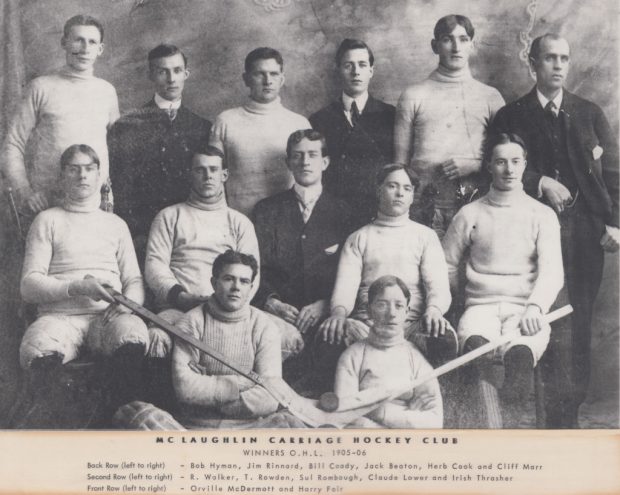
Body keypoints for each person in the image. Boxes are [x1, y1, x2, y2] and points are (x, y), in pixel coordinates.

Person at [491, 34, 619, 427]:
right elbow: (492, 165)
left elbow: (614, 171)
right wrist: (539, 180)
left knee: (578, 319)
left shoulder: (589, 112)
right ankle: (539, 411)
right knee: (538, 315)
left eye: (564, 58)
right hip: (529, 234)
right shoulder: (512, 116)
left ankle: (568, 416)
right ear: (533, 64)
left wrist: (615, 222)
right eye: (549, 58)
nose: (558, 66)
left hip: (585, 234)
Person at [442, 133, 563, 427]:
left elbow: (553, 271)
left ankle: (503, 430)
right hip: (480, 308)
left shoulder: (542, 214)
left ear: (524, 165)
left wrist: (536, 307)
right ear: (488, 166)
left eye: (515, 161)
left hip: (525, 310)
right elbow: (445, 264)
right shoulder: (469, 213)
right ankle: (490, 427)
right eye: (500, 162)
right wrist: (461, 301)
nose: (508, 169)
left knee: (520, 359)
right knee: (475, 354)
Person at [113, 250, 305, 429]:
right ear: (214, 283)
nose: (236, 287)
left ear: (251, 287)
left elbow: (270, 396)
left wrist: (214, 397)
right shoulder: (191, 322)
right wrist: (237, 385)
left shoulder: (264, 326)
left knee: (291, 427)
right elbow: (185, 389)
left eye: (244, 281)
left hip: (250, 428)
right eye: (228, 279)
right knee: (144, 418)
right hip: (196, 427)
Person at [18, 144, 149, 406]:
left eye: (89, 169)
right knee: (38, 349)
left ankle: (115, 422)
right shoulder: (47, 220)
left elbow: (134, 281)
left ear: (99, 175)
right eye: (74, 169)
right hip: (59, 318)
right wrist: (78, 287)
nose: (82, 176)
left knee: (133, 337)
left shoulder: (116, 224)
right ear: (62, 176)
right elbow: (29, 285)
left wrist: (127, 306)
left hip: (107, 318)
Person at [144, 145, 302, 361]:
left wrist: (229, 305)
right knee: (157, 337)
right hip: (180, 308)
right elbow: (155, 266)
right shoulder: (169, 216)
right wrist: (181, 297)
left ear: (224, 175)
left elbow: (252, 274)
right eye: (200, 170)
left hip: (230, 310)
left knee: (289, 337)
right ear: (191, 175)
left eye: (214, 170)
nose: (208, 176)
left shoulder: (239, 222)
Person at [318, 164, 455, 375]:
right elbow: (345, 287)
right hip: (367, 327)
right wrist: (338, 313)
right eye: (392, 185)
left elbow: (437, 286)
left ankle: (428, 396)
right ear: (379, 190)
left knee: (442, 335)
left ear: (412, 196)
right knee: (331, 331)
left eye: (407, 188)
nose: (400, 193)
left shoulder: (425, 236)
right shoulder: (359, 237)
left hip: (410, 326)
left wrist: (434, 311)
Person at [252, 129, 355, 381]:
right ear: (288, 163)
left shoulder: (344, 212)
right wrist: (271, 302)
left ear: (325, 162)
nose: (305, 162)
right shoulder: (266, 210)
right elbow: (255, 266)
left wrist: (326, 304)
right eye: (297, 156)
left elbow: (352, 270)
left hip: (326, 314)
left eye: (312, 155)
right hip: (279, 315)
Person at [393, 14, 504, 238]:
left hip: (476, 205)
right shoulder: (413, 95)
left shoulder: (490, 97)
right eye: (447, 39)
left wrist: (475, 164)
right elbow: (399, 166)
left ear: (472, 45)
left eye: (463, 39)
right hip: (422, 208)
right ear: (435, 46)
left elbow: (509, 157)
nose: (456, 47)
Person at [2, 15, 119, 216]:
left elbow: (117, 149)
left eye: (92, 42)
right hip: (48, 204)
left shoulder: (106, 91)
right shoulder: (41, 87)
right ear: (64, 42)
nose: (84, 48)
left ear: (100, 49)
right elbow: (11, 146)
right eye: (78, 40)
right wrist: (26, 192)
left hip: (95, 205)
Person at [108, 44, 211, 263]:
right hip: (143, 233)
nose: (171, 79)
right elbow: (121, 186)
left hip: (190, 233)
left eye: (176, 71)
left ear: (186, 74)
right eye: (162, 71)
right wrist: (134, 234)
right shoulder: (128, 126)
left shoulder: (202, 127)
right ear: (151, 75)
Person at [209, 47, 311, 216]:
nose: (267, 81)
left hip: (287, 223)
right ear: (246, 79)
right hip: (238, 221)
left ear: (282, 79)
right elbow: (213, 178)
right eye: (259, 74)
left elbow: (308, 182)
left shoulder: (299, 123)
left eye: (274, 74)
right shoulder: (225, 121)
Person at [334, 275, 443, 428]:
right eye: (382, 304)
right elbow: (344, 414)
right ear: (369, 310)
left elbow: (435, 422)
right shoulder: (352, 357)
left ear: (407, 311)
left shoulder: (416, 359)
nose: (391, 313)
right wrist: (405, 423)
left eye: (398, 306)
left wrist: (379, 413)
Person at [309, 39, 395, 224]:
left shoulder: (390, 116)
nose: (356, 72)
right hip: (334, 218)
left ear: (371, 71)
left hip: (379, 214)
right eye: (349, 65)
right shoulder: (319, 120)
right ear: (338, 70)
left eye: (362, 65)